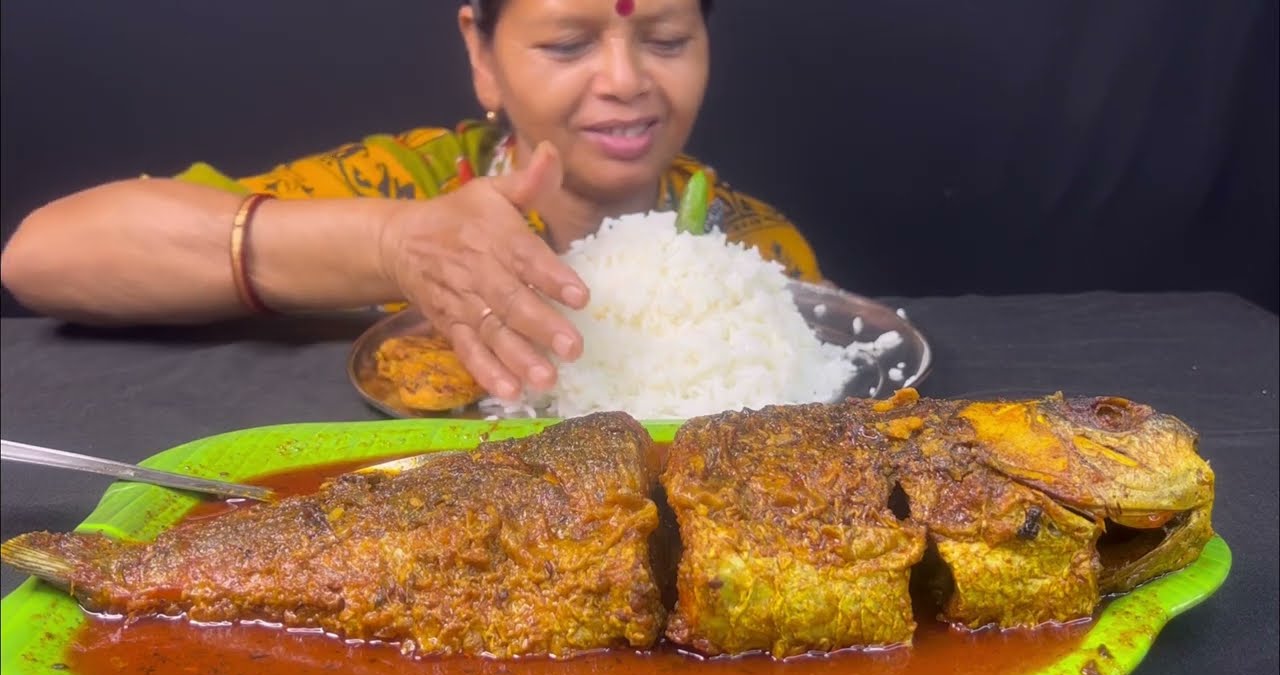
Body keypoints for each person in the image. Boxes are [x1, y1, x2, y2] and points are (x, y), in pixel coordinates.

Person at [0, 0, 822, 402]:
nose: (625, 81)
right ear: (483, 52)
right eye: (569, 44)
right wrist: (393, 245)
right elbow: (43, 256)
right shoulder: (402, 181)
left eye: (667, 40)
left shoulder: (758, 255)